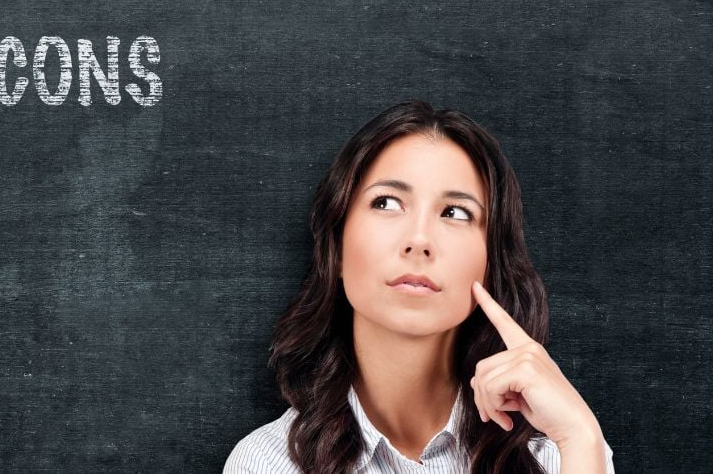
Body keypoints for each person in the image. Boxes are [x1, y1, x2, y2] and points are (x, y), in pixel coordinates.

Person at [224, 101, 614, 473]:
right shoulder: (270, 463)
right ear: (337, 249)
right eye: (387, 203)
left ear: (491, 264)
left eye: (455, 212)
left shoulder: (559, 454)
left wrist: (581, 436)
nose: (419, 239)